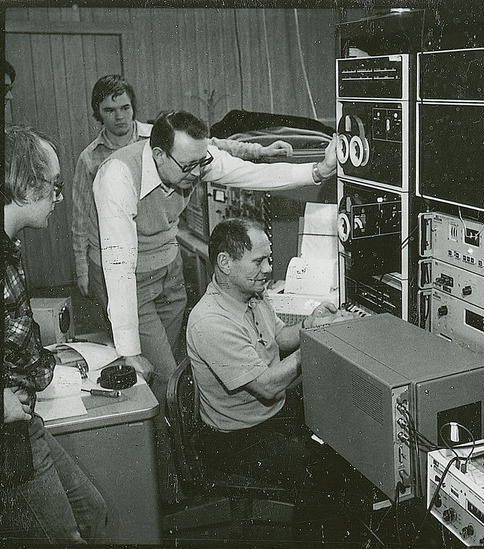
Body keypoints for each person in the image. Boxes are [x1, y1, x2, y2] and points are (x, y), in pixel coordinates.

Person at [93, 109, 337, 500]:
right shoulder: (116, 176)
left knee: (184, 374)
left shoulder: (193, 157)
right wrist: (128, 353)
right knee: (157, 383)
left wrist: (317, 172)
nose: (198, 172)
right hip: (128, 280)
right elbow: (118, 267)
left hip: (166, 268)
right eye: (189, 165)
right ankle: (171, 492)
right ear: (158, 156)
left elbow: (251, 174)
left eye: (201, 162)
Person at [72, 74, 294, 307]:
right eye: (109, 110)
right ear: (98, 113)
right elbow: (80, 218)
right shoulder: (91, 159)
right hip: (118, 265)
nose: (119, 116)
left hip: (163, 260)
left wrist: (260, 151)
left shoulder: (158, 134)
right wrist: (82, 270)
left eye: (125, 107)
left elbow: (213, 146)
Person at [186, 217, 352, 488]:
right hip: (237, 438)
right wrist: (317, 341)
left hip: (271, 412)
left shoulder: (252, 294)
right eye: (258, 261)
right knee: (321, 477)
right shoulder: (210, 322)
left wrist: (310, 324)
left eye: (269, 259)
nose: (269, 268)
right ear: (225, 263)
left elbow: (279, 337)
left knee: (346, 427)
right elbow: (267, 387)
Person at [2, 124, 108, 543]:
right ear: (26, 185)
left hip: (26, 422)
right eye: (54, 187)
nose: (58, 199)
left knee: (94, 513)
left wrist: (51, 359)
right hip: (9, 436)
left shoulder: (11, 246)